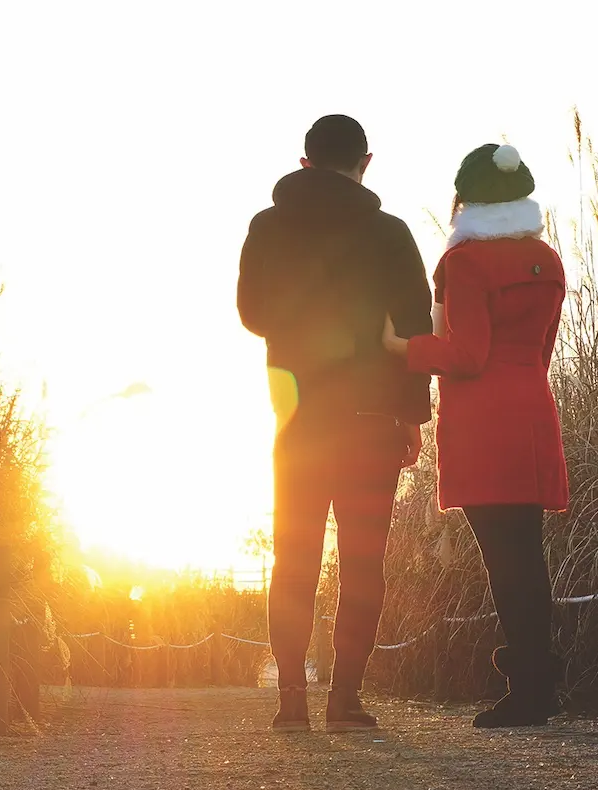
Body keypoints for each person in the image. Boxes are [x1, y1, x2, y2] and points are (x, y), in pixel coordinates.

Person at [237, 115, 433, 732]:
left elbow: (251, 313)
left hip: (297, 420)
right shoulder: (390, 233)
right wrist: (412, 413)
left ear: (304, 163)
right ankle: (345, 698)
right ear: (366, 162)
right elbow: (416, 326)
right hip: (372, 418)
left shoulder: (267, 226)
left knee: (293, 558)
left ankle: (290, 698)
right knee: (363, 560)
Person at [382, 142, 569, 728]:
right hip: (532, 409)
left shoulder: (464, 264)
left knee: (503, 560)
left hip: (486, 422)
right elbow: (542, 350)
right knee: (527, 557)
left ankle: (528, 693)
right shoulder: (547, 260)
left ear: (465, 200)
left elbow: (466, 353)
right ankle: (539, 683)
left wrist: (399, 348)